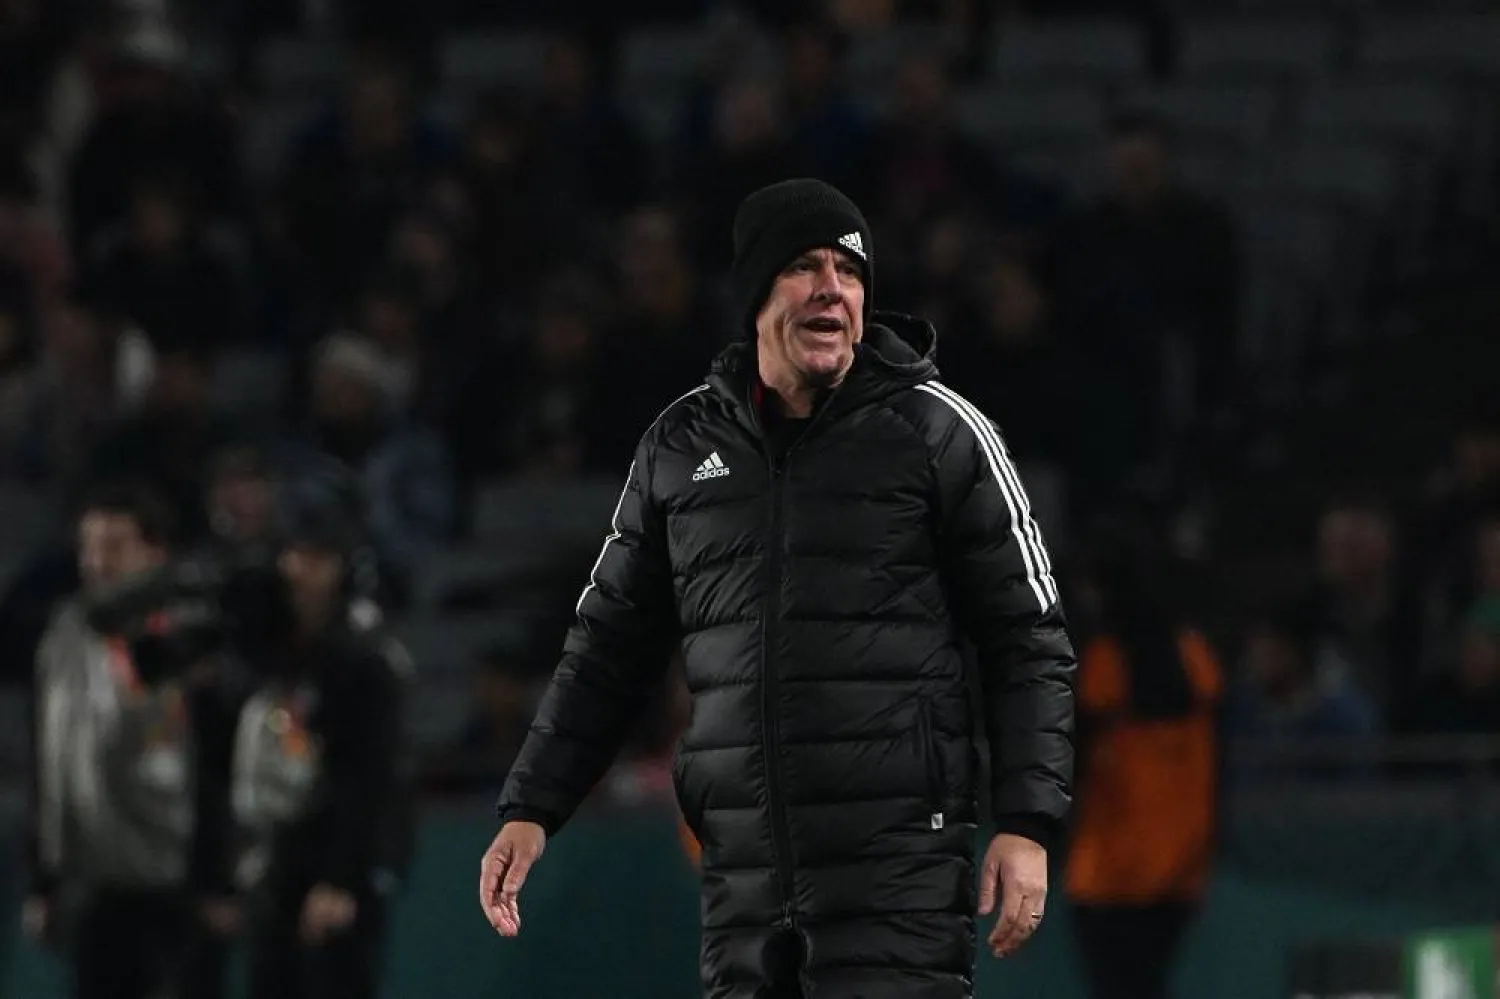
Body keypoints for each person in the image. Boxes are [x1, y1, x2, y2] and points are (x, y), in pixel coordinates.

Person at [479, 178, 1077, 998]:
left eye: (851, 270)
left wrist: (1027, 823)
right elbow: (607, 648)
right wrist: (532, 804)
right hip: (745, 880)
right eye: (804, 266)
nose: (834, 287)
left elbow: (1029, 641)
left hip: (897, 872)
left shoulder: (940, 432)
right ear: (755, 291)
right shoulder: (680, 447)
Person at [24, 481, 228, 999]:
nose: (96, 562)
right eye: (88, 547)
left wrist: (216, 879)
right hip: (93, 886)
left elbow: (218, 763)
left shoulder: (189, 635)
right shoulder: (66, 632)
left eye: (114, 546)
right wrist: (45, 879)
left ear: (154, 553)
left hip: (173, 890)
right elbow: (49, 760)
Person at [228, 462, 416, 999]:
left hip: (335, 864)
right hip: (277, 859)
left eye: (314, 556)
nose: (298, 569)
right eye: (292, 553)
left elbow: (371, 776)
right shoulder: (276, 646)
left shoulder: (365, 658)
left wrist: (342, 877)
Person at [1063, 525, 1222, 999]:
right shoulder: (1194, 657)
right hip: (1178, 872)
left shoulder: (1103, 662)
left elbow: (1071, 754)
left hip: (1110, 874)